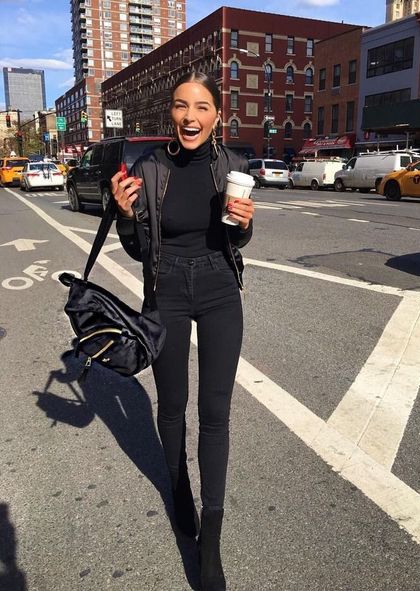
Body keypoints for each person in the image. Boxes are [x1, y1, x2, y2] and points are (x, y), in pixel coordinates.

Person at [111, 71, 254, 591]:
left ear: (218, 115)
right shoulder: (149, 168)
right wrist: (127, 216)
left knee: (216, 414)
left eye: (200, 107)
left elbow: (239, 239)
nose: (189, 117)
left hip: (219, 288)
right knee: (171, 406)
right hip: (165, 289)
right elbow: (136, 248)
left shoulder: (233, 165)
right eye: (179, 106)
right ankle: (179, 492)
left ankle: (210, 543)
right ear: (170, 113)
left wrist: (246, 221)